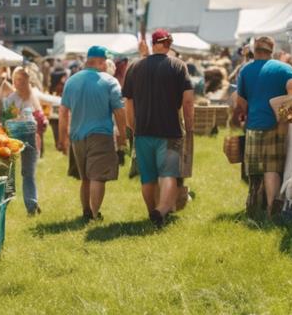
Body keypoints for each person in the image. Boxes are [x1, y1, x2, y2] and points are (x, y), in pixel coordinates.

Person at [122, 29, 194, 227]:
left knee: (148, 178)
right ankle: (161, 211)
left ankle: (152, 212)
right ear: (169, 44)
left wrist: (132, 127)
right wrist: (190, 127)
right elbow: (188, 101)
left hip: (143, 131)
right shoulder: (179, 66)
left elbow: (128, 102)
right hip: (170, 130)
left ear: (154, 44)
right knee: (168, 173)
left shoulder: (134, 67)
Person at [58, 46, 127, 222]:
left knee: (85, 178)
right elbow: (120, 112)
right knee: (98, 177)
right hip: (101, 135)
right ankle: (96, 215)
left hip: (77, 137)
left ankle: (86, 211)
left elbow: (63, 112)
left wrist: (62, 138)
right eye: (105, 62)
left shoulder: (71, 81)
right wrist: (123, 138)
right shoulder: (110, 81)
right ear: (101, 62)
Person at [235, 36, 292, 218]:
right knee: (272, 169)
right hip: (276, 126)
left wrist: (250, 109)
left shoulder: (245, 70)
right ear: (272, 50)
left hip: (254, 125)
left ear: (255, 50)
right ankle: (272, 209)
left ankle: (254, 208)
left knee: (255, 171)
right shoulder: (284, 68)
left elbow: (241, 101)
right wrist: (284, 119)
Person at [4, 67, 44, 216]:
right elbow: (6, 119)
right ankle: (6, 202)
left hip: (30, 137)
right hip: (14, 136)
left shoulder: (33, 97)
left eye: (23, 80)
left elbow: (39, 119)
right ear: (13, 81)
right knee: (9, 172)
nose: (20, 83)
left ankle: (32, 205)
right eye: (17, 80)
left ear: (27, 81)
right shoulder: (11, 99)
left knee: (28, 172)